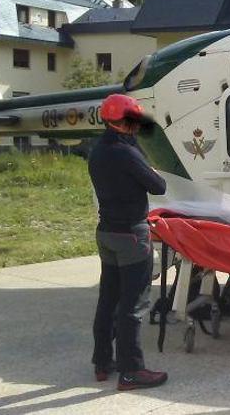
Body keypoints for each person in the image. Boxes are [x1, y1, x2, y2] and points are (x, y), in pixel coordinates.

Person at [89, 94, 168, 391]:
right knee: (133, 305)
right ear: (127, 121)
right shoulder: (126, 152)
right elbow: (158, 185)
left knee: (108, 299)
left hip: (106, 232)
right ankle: (132, 371)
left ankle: (102, 362)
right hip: (132, 236)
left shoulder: (98, 150)